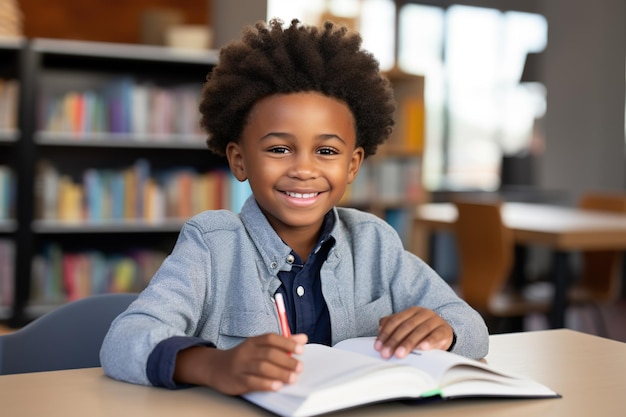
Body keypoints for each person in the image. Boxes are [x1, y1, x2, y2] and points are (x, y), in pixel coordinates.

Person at [100, 18, 489, 396]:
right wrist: (213, 365)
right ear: (239, 160)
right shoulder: (212, 245)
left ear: (352, 164)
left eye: (326, 151)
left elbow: (471, 326)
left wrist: (445, 329)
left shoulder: (375, 242)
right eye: (279, 149)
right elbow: (124, 340)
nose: (304, 169)